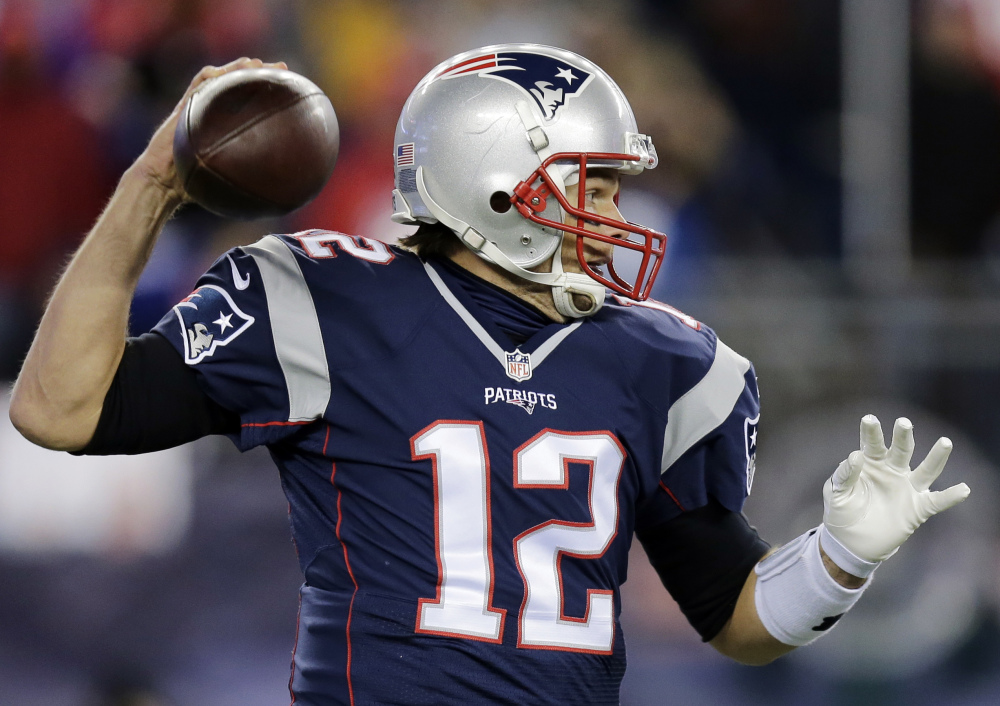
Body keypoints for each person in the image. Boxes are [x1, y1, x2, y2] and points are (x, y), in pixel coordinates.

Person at [10, 46, 970, 705]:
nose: (616, 211)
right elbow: (59, 410)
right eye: (589, 182)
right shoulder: (327, 301)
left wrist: (842, 557)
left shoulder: (670, 362)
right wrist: (149, 186)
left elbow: (735, 619)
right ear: (494, 178)